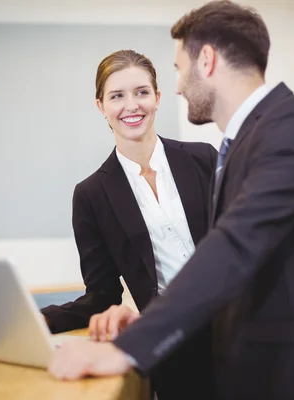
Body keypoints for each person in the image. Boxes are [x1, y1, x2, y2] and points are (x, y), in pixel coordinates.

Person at [48, 2, 294, 399]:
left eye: (179, 69)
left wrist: (128, 349)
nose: (178, 86)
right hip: (227, 362)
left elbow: (234, 246)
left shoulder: (293, 126)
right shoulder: (246, 142)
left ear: (208, 60)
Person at [41, 49, 217, 399]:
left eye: (141, 92)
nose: (131, 106)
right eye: (117, 96)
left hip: (240, 330)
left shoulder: (203, 160)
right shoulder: (91, 195)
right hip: (173, 347)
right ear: (101, 106)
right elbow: (101, 296)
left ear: (157, 98)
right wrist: (39, 322)